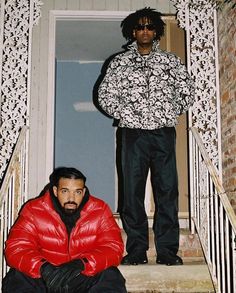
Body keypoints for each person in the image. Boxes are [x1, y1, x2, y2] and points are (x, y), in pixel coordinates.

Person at [98, 7, 195, 266]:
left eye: (150, 27)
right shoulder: (119, 63)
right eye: (140, 27)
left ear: (156, 31)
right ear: (133, 31)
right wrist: (127, 113)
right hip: (132, 134)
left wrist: (168, 111)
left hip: (163, 132)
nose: (144, 31)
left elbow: (187, 92)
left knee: (167, 190)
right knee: (132, 192)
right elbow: (105, 96)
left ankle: (166, 251)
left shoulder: (170, 61)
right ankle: (137, 250)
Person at [2, 167, 127, 292]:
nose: (71, 198)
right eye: (65, 191)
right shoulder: (34, 210)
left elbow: (113, 248)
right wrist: (43, 267)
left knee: (111, 275)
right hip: (46, 277)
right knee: (16, 276)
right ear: (55, 191)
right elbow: (16, 248)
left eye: (77, 192)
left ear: (83, 192)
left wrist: (82, 264)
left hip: (82, 277)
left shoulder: (100, 210)